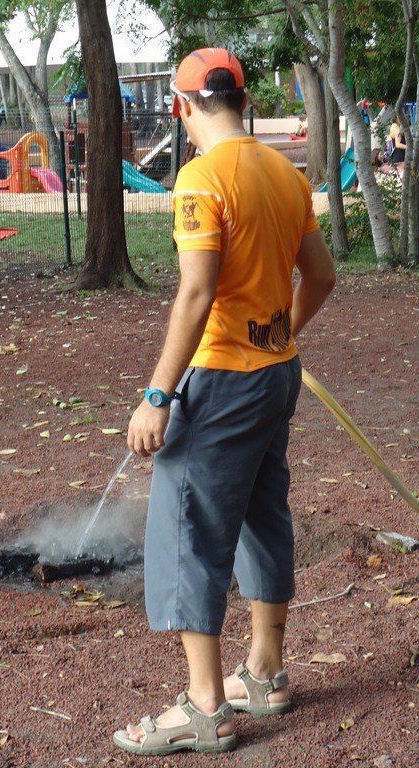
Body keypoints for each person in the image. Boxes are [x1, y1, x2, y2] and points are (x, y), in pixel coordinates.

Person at [113, 47, 336, 756]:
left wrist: (157, 395)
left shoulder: (201, 177)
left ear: (182, 107)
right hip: (276, 374)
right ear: (243, 100)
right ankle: (264, 673)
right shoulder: (285, 173)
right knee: (263, 514)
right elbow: (321, 277)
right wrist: (278, 334)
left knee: (187, 528)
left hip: (218, 383)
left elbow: (197, 292)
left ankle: (204, 707)